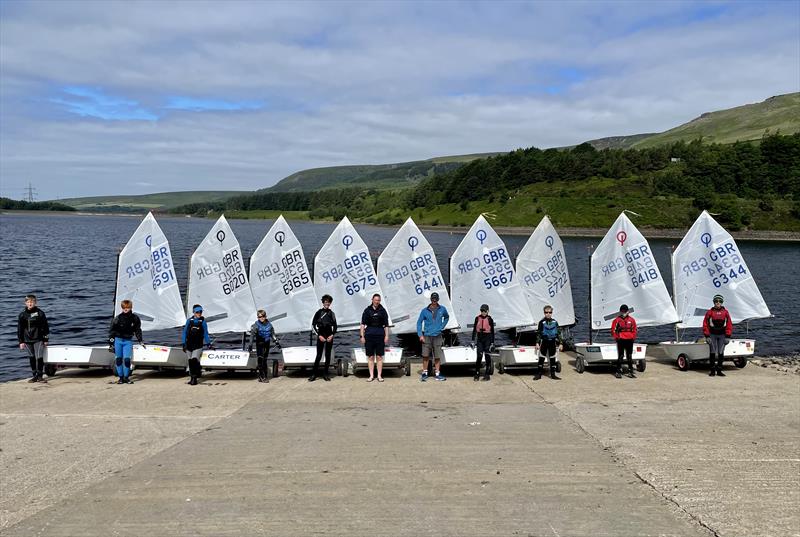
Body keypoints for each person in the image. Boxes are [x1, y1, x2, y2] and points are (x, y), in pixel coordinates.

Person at [108, 299, 144, 384]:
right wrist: (110, 343)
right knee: (119, 359)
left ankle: (126, 377)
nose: (126, 309)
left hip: (128, 341)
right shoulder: (117, 318)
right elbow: (112, 331)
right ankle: (121, 378)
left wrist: (140, 340)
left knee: (127, 360)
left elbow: (137, 330)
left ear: (131, 307)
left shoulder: (135, 318)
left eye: (127, 307)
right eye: (124, 307)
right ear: (122, 308)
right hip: (118, 341)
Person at [416, 292, 449, 382]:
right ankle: (424, 373)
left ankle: (437, 374)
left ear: (438, 299)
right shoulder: (424, 310)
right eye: (433, 299)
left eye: (436, 299)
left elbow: (446, 317)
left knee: (437, 356)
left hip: (438, 335)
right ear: (430, 299)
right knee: (425, 356)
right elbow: (419, 322)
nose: (434, 301)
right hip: (427, 336)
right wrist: (420, 335)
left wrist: (442, 326)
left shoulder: (443, 309)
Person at [17, 294, 50, 383]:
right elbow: (20, 329)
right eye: (28, 302)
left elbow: (45, 327)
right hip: (27, 340)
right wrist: (21, 342)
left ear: (35, 302)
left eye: (32, 302)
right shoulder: (22, 315)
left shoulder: (40, 313)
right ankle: (34, 376)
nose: (30, 303)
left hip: (38, 339)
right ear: (25, 303)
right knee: (31, 357)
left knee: (39, 357)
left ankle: (40, 376)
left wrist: (46, 339)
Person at [360, 294, 390, 382]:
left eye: (379, 300)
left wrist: (387, 336)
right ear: (372, 300)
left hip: (380, 335)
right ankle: (371, 375)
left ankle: (379, 376)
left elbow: (386, 325)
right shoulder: (367, 310)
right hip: (369, 335)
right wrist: (362, 336)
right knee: (370, 357)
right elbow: (362, 324)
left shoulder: (383, 311)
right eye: (376, 300)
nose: (377, 302)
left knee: (379, 356)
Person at [703, 294, 733, 377]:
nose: (718, 303)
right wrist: (707, 336)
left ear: (722, 302)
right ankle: (712, 370)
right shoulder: (709, 312)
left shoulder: (725, 312)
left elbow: (729, 324)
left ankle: (719, 370)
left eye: (720, 301)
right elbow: (705, 324)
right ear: (714, 302)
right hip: (712, 335)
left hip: (722, 335)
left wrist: (728, 336)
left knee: (720, 352)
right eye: (716, 301)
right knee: (712, 352)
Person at [182, 305, 212, 386]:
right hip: (189, 345)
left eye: (200, 312)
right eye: (197, 312)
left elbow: (205, 334)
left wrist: (208, 343)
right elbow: (184, 332)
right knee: (190, 361)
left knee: (194, 360)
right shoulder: (189, 321)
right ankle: (195, 374)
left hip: (198, 345)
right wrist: (183, 343)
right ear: (194, 312)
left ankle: (194, 378)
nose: (199, 313)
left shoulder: (203, 322)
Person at [310, 294, 337, 382]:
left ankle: (326, 374)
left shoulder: (332, 313)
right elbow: (313, 325)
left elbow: (335, 326)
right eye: (325, 302)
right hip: (321, 335)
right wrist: (319, 335)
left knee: (328, 355)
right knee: (318, 356)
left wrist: (332, 335)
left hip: (329, 336)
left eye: (328, 302)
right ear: (323, 303)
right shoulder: (319, 312)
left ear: (330, 303)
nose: (327, 304)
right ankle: (314, 374)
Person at [534, 305, 562, 381]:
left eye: (550, 312)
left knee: (553, 358)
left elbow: (558, 333)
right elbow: (539, 333)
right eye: (546, 312)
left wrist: (560, 343)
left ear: (552, 313)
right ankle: (539, 374)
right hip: (544, 341)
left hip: (552, 342)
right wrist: (537, 343)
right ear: (544, 313)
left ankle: (553, 375)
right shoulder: (541, 322)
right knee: (541, 358)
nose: (548, 314)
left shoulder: (555, 322)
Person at [249, 309, 277, 383]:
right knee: (260, 359)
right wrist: (250, 345)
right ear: (258, 317)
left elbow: (273, 335)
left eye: (263, 316)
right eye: (260, 317)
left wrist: (277, 342)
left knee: (265, 360)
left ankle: (263, 375)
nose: (262, 318)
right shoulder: (255, 326)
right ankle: (262, 376)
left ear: (265, 316)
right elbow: (252, 336)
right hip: (260, 344)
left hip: (267, 344)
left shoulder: (269, 325)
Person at [610, 304, 637, 379]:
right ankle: (618, 371)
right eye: (622, 311)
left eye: (625, 311)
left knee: (629, 356)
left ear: (628, 312)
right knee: (621, 356)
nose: (623, 313)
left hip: (629, 339)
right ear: (620, 312)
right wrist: (617, 338)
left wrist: (633, 337)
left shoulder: (632, 320)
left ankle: (630, 372)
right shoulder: (617, 320)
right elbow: (613, 330)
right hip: (621, 339)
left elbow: (635, 329)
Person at [471, 304, 495, 381]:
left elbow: (492, 332)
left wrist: (492, 343)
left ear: (487, 311)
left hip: (487, 339)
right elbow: (474, 330)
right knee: (479, 356)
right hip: (480, 339)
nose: (483, 312)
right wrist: (472, 341)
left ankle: (487, 374)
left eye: (484, 311)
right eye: (482, 311)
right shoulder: (477, 318)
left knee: (487, 356)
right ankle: (477, 373)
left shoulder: (490, 319)